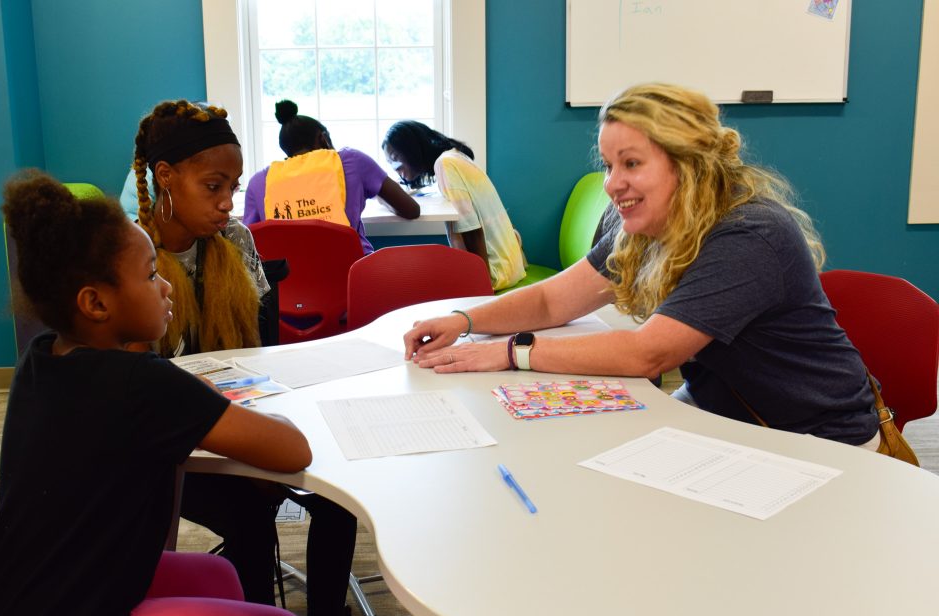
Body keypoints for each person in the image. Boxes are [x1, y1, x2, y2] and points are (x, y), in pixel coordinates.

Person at [0, 170, 312, 616]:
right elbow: (293, 450)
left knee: (220, 575)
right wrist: (221, 406)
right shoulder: (143, 387)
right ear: (96, 303)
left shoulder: (42, 359)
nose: (165, 285)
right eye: (151, 275)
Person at [402, 82, 881, 449]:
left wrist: (513, 351)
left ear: (688, 164)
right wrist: (465, 320)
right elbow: (554, 297)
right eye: (609, 165)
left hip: (815, 436)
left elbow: (647, 355)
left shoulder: (750, 232)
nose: (613, 184)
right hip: (722, 408)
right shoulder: (641, 220)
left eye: (631, 164)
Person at [133, 99, 380, 616]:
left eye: (233, 186)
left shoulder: (236, 242)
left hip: (242, 419)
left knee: (336, 499)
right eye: (213, 186)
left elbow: (262, 351)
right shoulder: (132, 258)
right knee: (248, 516)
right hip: (179, 450)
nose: (227, 202)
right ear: (165, 177)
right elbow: (135, 394)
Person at [243, 99, 420, 255]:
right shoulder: (352, 160)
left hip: (290, 285)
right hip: (351, 275)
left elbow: (247, 244)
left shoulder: (259, 182)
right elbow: (411, 209)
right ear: (323, 138)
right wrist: (380, 197)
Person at [382, 120, 527, 291]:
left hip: (496, 274)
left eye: (395, 159)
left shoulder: (445, 164)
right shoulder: (455, 156)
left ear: (411, 150)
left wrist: (482, 286)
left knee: (410, 281)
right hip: (509, 266)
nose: (395, 168)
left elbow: (471, 228)